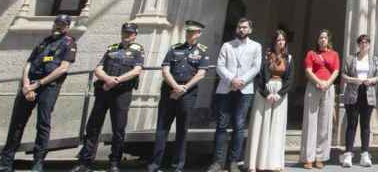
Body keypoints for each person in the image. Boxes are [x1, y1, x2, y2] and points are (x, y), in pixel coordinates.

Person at [0, 15, 77, 172]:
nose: (59, 26)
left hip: (48, 87)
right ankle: (5, 163)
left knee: (42, 124)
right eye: (57, 23)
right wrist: (26, 84)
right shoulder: (44, 42)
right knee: (17, 123)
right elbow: (28, 63)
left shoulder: (69, 43)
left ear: (67, 27)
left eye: (63, 25)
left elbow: (63, 68)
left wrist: (38, 84)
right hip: (29, 85)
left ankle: (37, 163)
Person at [72, 22, 144, 172]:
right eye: (125, 32)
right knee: (93, 127)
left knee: (118, 128)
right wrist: (107, 79)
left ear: (135, 35)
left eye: (130, 33)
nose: (127, 36)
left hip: (122, 93)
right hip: (104, 91)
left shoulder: (138, 50)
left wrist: (116, 80)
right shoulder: (112, 48)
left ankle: (114, 162)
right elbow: (98, 68)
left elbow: (136, 70)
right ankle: (85, 161)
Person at [148, 20, 210, 172]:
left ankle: (178, 166)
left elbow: (201, 73)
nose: (190, 34)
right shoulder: (174, 49)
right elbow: (165, 70)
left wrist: (183, 89)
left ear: (199, 34)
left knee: (182, 130)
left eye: (193, 32)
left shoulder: (203, 51)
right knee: (162, 128)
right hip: (169, 91)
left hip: (188, 94)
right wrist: (175, 87)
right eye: (188, 31)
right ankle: (155, 164)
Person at [208, 18, 263, 172]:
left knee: (239, 126)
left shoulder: (256, 46)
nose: (241, 30)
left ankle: (233, 162)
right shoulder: (227, 45)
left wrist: (242, 80)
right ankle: (217, 162)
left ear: (250, 30)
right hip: (226, 89)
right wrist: (232, 79)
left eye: (245, 27)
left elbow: (256, 67)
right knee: (221, 125)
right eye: (239, 27)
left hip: (245, 90)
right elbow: (220, 66)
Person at [247, 29, 294, 172]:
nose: (280, 42)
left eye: (282, 40)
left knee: (276, 126)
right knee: (260, 125)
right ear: (274, 41)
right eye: (278, 40)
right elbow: (260, 76)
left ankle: (272, 163)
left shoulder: (289, 58)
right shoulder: (266, 56)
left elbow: (290, 79)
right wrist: (266, 93)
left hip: (280, 93)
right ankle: (255, 164)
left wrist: (280, 94)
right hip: (264, 92)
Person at [341, 33, 378, 168]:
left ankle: (365, 154)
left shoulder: (374, 59)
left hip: (368, 93)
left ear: (369, 45)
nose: (364, 44)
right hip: (353, 93)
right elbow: (344, 75)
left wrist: (371, 80)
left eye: (366, 42)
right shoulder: (350, 58)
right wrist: (355, 80)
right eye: (362, 42)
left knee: (365, 125)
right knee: (352, 124)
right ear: (358, 44)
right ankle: (348, 154)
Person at [302, 29, 340, 169]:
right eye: (320, 37)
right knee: (310, 122)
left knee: (324, 124)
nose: (322, 39)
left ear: (328, 40)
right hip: (313, 87)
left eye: (325, 37)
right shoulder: (311, 54)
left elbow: (336, 71)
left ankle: (320, 157)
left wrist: (327, 83)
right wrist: (318, 81)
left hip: (328, 88)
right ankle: (308, 157)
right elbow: (308, 71)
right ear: (318, 40)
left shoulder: (334, 54)